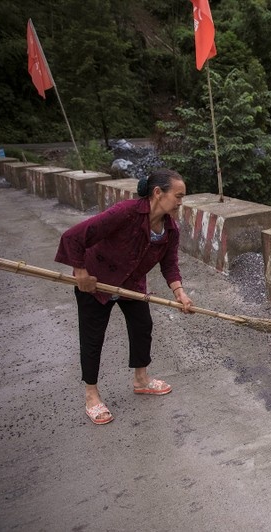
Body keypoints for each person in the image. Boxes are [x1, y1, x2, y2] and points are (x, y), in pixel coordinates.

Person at [55, 168, 193, 425]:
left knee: (143, 326)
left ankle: (141, 379)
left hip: (131, 284)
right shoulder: (126, 212)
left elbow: (170, 264)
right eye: (178, 196)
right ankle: (91, 396)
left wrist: (180, 293)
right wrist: (82, 272)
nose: (180, 202)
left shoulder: (170, 229)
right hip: (96, 281)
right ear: (157, 193)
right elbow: (73, 237)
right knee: (93, 337)